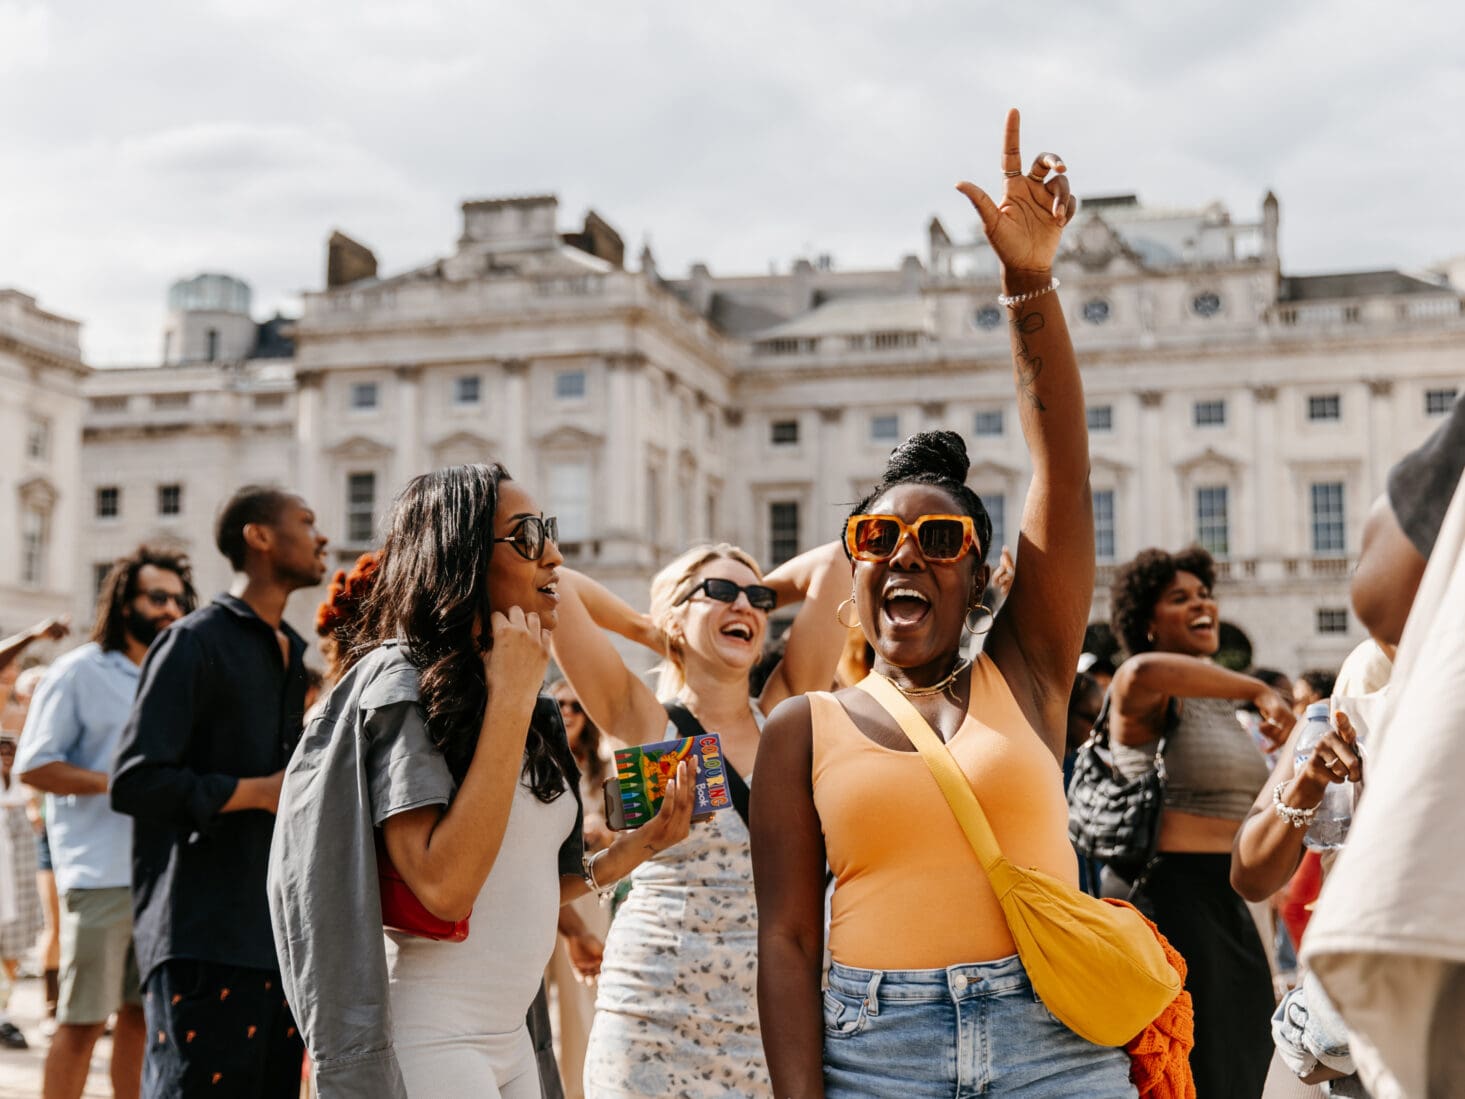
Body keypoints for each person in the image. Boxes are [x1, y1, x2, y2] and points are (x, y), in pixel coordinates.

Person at [753, 110, 1140, 1099]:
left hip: (1047, 1037)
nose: (902, 554)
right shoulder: (801, 729)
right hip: (877, 1052)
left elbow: (1062, 459)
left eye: (939, 539)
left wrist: (1027, 283)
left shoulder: (1027, 672)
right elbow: (789, 941)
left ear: (984, 573)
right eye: (876, 538)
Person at [268, 463, 694, 1099]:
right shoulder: (401, 682)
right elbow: (444, 887)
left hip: (514, 1037)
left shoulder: (536, 704)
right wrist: (514, 697)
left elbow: (522, 888)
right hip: (431, 1036)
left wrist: (637, 848)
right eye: (526, 536)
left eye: (547, 530)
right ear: (462, 554)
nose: (553, 552)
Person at [549, 526, 847, 1093]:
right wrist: (650, 629)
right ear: (676, 616)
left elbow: (836, 561)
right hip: (652, 1015)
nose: (746, 604)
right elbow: (556, 583)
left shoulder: (783, 714)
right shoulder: (647, 722)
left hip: (772, 1023)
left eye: (758, 599)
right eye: (721, 590)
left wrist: (734, 602)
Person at [111, 487, 328, 1098]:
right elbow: (135, 780)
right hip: (200, 936)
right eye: (306, 523)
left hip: (276, 940)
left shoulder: (290, 651)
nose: (322, 538)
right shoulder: (192, 641)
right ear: (259, 537)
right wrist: (255, 792)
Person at [1105, 543, 1295, 1097]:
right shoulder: (1144, 690)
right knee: (1191, 1071)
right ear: (1145, 622)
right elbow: (1141, 668)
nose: (1201, 604)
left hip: (1231, 898)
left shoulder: (1226, 708)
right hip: (1167, 898)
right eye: (1179, 598)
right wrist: (1261, 687)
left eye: (1205, 594)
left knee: (1245, 1063)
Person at [17, 547, 195, 1099]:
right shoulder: (79, 670)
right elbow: (35, 766)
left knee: (144, 1021)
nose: (170, 608)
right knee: (82, 1023)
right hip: (99, 876)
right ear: (124, 603)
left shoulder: (179, 671)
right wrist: (116, 782)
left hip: (165, 876)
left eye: (178, 598)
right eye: (156, 597)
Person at [545, 680, 611, 1099]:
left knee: (579, 1007)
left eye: (575, 705)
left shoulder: (602, 769)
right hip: (538, 894)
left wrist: (601, 834)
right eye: (559, 704)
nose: (567, 711)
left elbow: (622, 833)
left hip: (585, 893)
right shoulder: (539, 758)